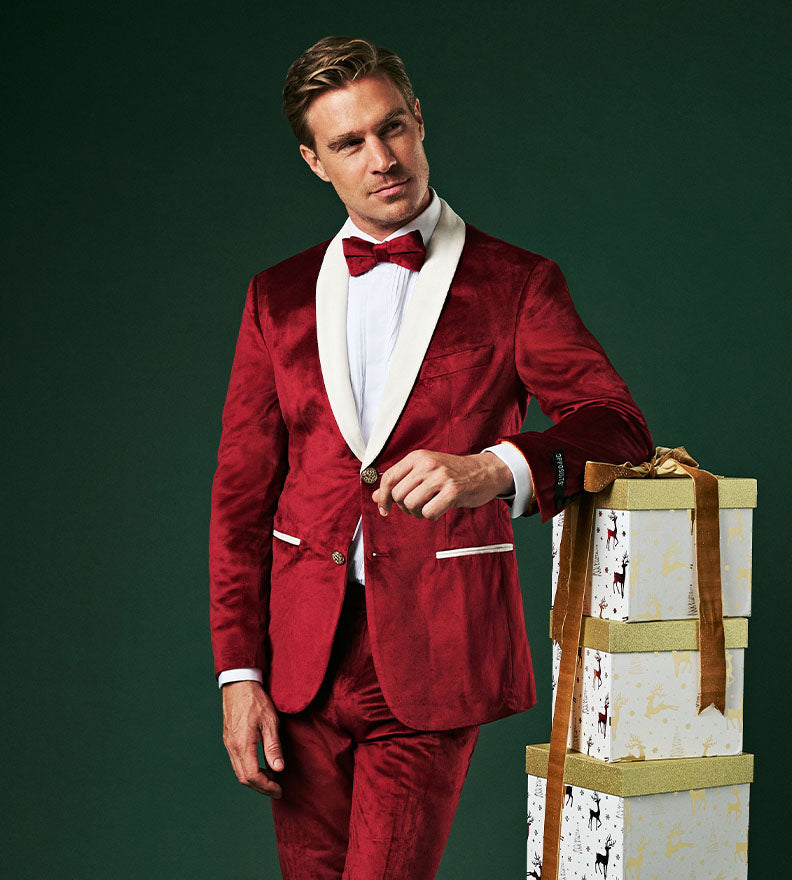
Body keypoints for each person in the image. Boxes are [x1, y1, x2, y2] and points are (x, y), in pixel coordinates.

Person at [209, 35, 652, 879]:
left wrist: (496, 468)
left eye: (395, 128)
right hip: (299, 660)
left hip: (433, 652)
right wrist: (239, 672)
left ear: (420, 123)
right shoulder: (275, 297)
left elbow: (618, 424)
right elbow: (241, 500)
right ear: (314, 161)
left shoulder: (517, 282)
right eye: (349, 143)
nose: (382, 159)